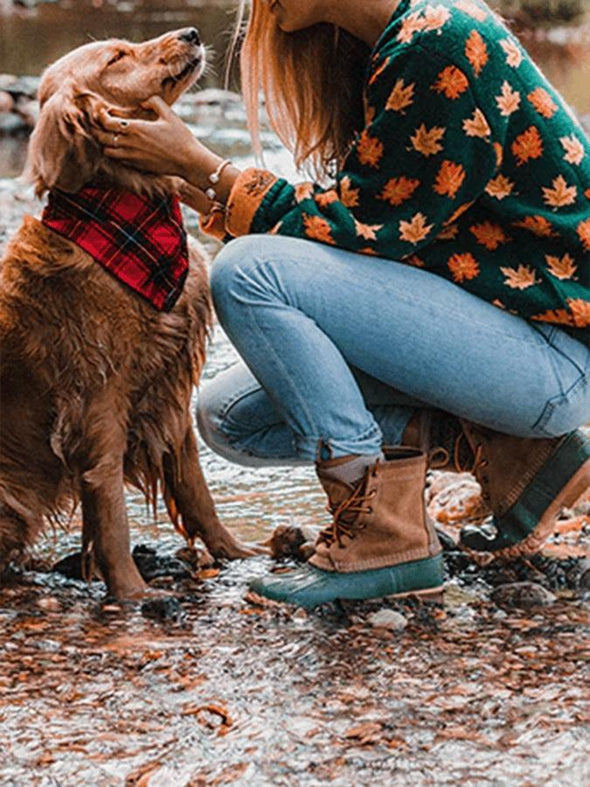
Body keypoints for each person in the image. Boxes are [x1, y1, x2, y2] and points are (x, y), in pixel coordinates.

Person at [97, 0, 590, 609]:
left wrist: (204, 165)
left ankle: (385, 539)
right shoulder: (388, 46)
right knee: (231, 417)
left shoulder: (438, 43)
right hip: (507, 346)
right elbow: (368, 237)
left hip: (551, 357)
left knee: (248, 273)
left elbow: (369, 227)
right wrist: (192, 182)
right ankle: (512, 456)